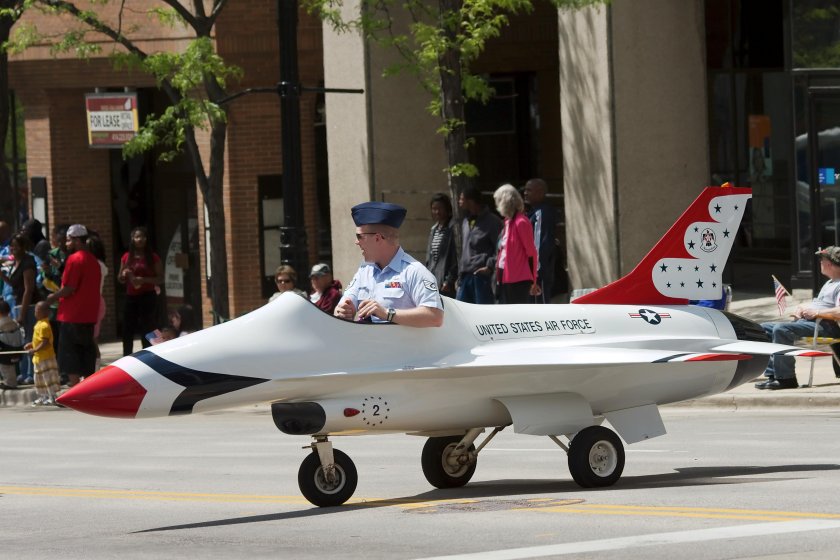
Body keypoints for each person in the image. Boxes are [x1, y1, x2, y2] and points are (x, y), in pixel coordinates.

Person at [334, 201, 443, 327]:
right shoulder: (365, 269)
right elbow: (347, 303)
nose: (356, 242)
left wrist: (387, 314)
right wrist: (343, 310)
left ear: (377, 238)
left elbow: (435, 317)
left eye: (359, 236)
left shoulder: (414, 272)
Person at [757, 246, 840, 390]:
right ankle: (773, 375)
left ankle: (786, 379)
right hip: (812, 323)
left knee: (781, 329)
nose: (820, 262)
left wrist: (817, 313)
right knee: (764, 328)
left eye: (822, 259)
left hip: (825, 326)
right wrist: (803, 308)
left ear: (830, 263)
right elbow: (821, 304)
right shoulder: (830, 282)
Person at [44, 224, 102, 387]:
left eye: (69, 240)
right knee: (86, 352)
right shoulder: (93, 260)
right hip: (89, 314)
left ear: (77, 240)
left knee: (70, 356)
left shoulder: (74, 259)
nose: (66, 244)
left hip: (72, 315)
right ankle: (89, 388)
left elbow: (69, 288)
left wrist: (51, 297)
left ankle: (75, 388)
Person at [0, 234, 42, 384]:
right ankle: (23, 373)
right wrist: (3, 276)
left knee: (30, 340)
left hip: (29, 306)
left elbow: (28, 289)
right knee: (23, 340)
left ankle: (32, 373)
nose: (13, 249)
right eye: (11, 246)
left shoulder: (28, 262)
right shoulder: (16, 263)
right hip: (18, 304)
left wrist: (22, 313)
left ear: (23, 247)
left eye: (16, 246)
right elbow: (15, 285)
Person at [118, 226, 162, 356]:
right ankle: (127, 356)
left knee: (148, 328)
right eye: (137, 237)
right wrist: (124, 275)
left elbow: (160, 278)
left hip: (148, 296)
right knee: (127, 328)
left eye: (142, 237)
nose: (140, 239)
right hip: (131, 297)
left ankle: (150, 355)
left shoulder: (153, 257)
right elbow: (120, 278)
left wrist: (143, 280)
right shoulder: (126, 257)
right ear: (132, 239)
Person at [493, 184, 541, 304]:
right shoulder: (508, 222)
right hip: (505, 277)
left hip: (519, 279)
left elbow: (531, 253)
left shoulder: (521, 222)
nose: (497, 205)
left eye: (498, 201)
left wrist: (533, 280)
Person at [456, 187, 502, 304]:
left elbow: (500, 248)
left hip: (481, 277)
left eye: (462, 199)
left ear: (470, 201)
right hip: (465, 276)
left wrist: (490, 266)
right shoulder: (466, 221)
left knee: (483, 314)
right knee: (461, 311)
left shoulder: (493, 222)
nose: (459, 202)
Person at [523, 178, 557, 302]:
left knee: (540, 308)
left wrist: (535, 272)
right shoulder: (532, 213)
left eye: (529, 190)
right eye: (525, 190)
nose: (525, 193)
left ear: (540, 192)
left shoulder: (542, 213)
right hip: (530, 273)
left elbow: (539, 243)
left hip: (538, 274)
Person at [25, 301, 60, 406]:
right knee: (39, 378)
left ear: (46, 312)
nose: (35, 312)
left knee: (48, 378)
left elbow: (45, 342)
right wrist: (31, 344)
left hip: (46, 357)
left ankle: (52, 396)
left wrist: (35, 350)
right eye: (35, 310)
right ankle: (43, 396)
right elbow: (39, 341)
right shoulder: (38, 324)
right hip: (39, 358)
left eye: (37, 311)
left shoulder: (44, 325)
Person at [424, 193, 458, 298]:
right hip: (434, 281)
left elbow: (455, 258)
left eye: (440, 208)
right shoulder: (434, 230)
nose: (437, 212)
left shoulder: (453, 229)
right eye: (434, 209)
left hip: (446, 283)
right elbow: (430, 259)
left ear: (447, 209)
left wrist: (449, 280)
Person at [0, 300, 23, 389]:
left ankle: (10, 383)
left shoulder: (1, 323)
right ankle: (12, 382)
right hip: (16, 348)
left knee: (5, 367)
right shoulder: (14, 322)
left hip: (4, 349)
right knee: (11, 367)